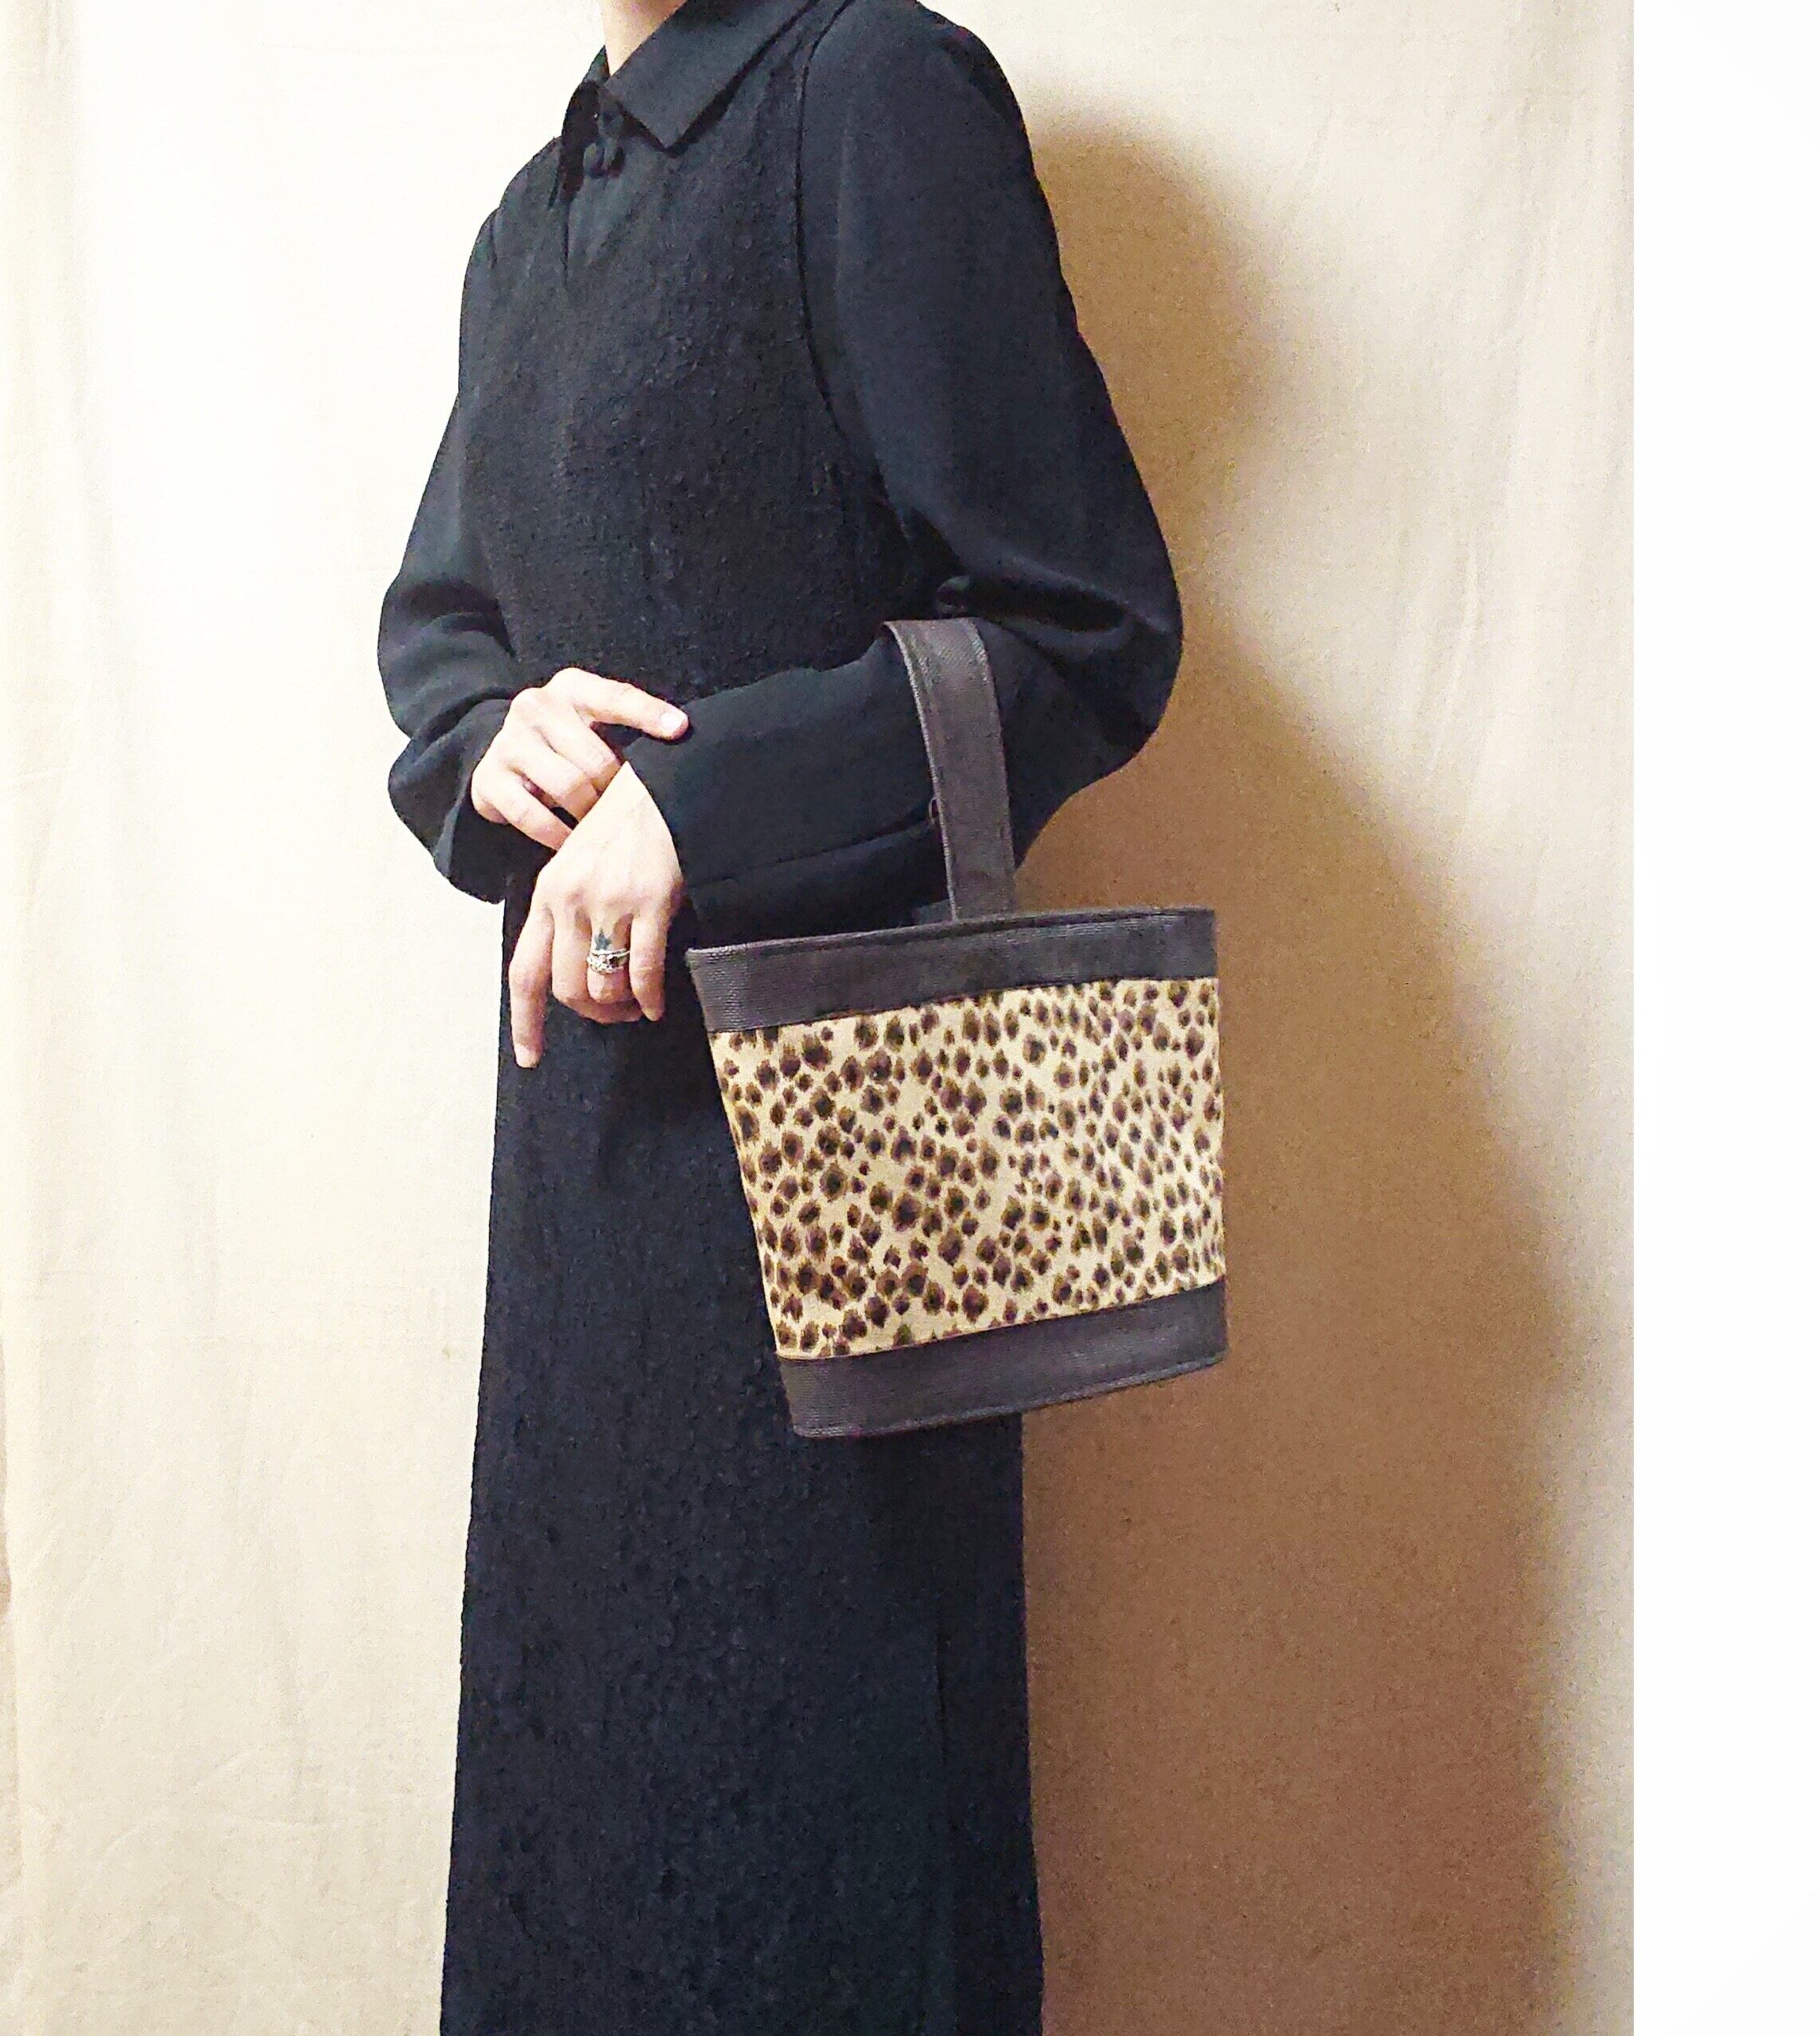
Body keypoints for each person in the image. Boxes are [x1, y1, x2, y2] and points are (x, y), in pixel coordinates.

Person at [375, 2, 1182, 2029]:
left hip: (841, 1172)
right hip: (585, 1157)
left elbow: (1080, 627)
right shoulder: (530, 219)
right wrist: (490, 739)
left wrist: (707, 803)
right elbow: (445, 631)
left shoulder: (868, 94)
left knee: (820, 1855)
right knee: (585, 1826)